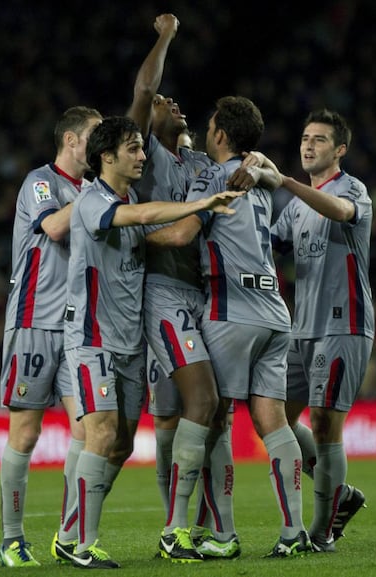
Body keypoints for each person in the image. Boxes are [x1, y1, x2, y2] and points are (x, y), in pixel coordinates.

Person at [54, 115, 244, 569]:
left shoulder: (129, 197)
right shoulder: (92, 200)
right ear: (107, 157)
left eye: (142, 148)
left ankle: (65, 535)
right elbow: (140, 216)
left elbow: (161, 228)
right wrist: (202, 202)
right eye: (134, 149)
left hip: (130, 343)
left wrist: (201, 211)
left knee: (119, 444)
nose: (143, 156)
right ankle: (83, 544)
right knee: (100, 434)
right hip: (91, 337)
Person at [146, 95, 313, 559]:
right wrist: (259, 161)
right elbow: (263, 169)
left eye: (212, 124)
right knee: (272, 423)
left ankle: (222, 535)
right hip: (275, 310)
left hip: (230, 306)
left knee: (212, 415)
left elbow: (180, 235)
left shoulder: (213, 176)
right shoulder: (259, 180)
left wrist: (127, 231)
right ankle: (293, 531)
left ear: (219, 135)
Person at [127, 13, 262, 562]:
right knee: (192, 406)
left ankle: (199, 525)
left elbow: (242, 164)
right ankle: (174, 526)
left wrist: (253, 162)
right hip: (163, 294)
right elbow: (143, 89)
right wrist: (166, 36)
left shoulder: (201, 162)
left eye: (176, 105)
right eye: (167, 104)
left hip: (203, 299)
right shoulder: (148, 157)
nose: (172, 104)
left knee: (208, 411)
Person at [0, 106, 103, 567]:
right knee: (26, 429)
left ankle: (68, 535)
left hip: (77, 325)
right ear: (72, 141)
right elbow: (55, 227)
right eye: (95, 138)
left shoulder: (90, 192)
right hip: (34, 319)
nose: (101, 148)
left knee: (88, 428)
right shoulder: (40, 182)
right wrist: (100, 191)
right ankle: (12, 539)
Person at [270, 108, 373, 551]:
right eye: (305, 138)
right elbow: (267, 245)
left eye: (320, 139)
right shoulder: (294, 208)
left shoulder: (353, 190)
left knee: (327, 424)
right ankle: (342, 496)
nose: (308, 145)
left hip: (343, 324)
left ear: (340, 150)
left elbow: (340, 211)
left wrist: (285, 182)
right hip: (299, 329)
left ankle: (322, 531)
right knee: (275, 417)